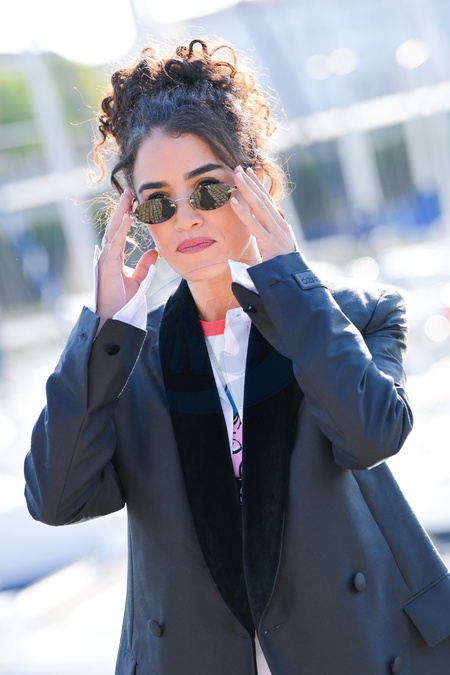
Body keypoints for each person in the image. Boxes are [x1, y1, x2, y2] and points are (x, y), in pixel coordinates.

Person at [24, 37, 450, 675]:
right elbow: (56, 499)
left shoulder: (360, 315)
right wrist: (104, 331)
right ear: (139, 217)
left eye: (208, 190)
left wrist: (291, 285)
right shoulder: (127, 362)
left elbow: (371, 434)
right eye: (159, 201)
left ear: (258, 184)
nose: (186, 218)